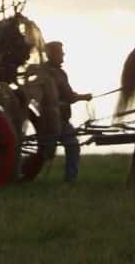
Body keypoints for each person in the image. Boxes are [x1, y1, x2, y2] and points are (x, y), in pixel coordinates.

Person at [42, 41, 92, 183]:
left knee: (71, 146)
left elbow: (68, 95)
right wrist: (84, 97)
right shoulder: (51, 73)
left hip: (60, 119)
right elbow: (69, 96)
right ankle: (70, 180)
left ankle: (70, 180)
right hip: (53, 120)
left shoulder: (57, 72)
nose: (63, 54)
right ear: (51, 54)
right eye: (60, 52)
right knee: (61, 148)